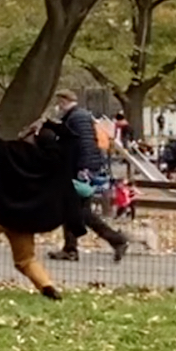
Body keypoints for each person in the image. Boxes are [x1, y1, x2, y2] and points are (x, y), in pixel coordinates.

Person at [0, 122, 74, 299]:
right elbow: (71, 136)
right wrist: (50, 124)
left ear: (32, 136)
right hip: (23, 220)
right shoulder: (55, 159)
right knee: (26, 260)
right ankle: (48, 288)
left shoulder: (6, 150)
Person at [50, 90, 130, 262]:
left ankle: (117, 240)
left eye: (59, 102)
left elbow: (84, 143)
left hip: (80, 169)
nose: (58, 106)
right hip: (79, 168)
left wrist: (83, 168)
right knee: (72, 209)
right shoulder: (78, 116)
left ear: (64, 101)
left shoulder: (76, 118)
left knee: (82, 212)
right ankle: (70, 249)